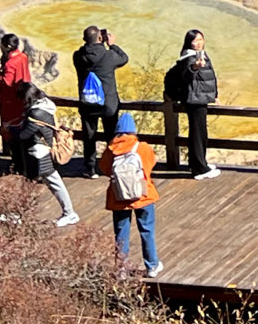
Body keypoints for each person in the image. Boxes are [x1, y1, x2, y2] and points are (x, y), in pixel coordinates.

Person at [98, 111, 163, 273]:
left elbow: (105, 169)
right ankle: (152, 266)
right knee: (146, 230)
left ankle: (121, 269)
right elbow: (150, 165)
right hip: (143, 194)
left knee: (121, 233)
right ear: (133, 131)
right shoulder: (142, 148)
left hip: (118, 196)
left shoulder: (110, 150)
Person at [12, 82, 78, 225]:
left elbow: (24, 135)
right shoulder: (45, 105)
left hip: (39, 153)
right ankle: (20, 213)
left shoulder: (36, 113)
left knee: (54, 182)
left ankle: (70, 213)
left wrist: (11, 129)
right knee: (32, 183)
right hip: (40, 151)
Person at [162, 28, 221, 178]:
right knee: (197, 133)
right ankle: (199, 169)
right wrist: (195, 67)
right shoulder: (189, 58)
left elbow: (208, 78)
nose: (198, 43)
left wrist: (214, 95)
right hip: (195, 100)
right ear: (189, 43)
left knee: (201, 133)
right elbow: (187, 73)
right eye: (195, 40)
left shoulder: (200, 55)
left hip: (201, 98)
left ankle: (200, 163)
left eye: (200, 39)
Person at [71, 25, 128, 174]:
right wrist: (112, 45)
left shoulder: (78, 56)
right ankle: (112, 165)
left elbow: (86, 50)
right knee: (111, 135)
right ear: (100, 38)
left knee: (89, 136)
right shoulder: (109, 55)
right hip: (108, 103)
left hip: (87, 103)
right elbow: (124, 58)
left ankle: (90, 168)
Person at [0, 32, 30, 161]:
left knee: (12, 132)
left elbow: (7, 82)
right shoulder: (23, 57)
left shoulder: (10, 64)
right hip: (24, 96)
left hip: (11, 100)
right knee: (23, 128)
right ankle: (23, 160)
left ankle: (17, 162)